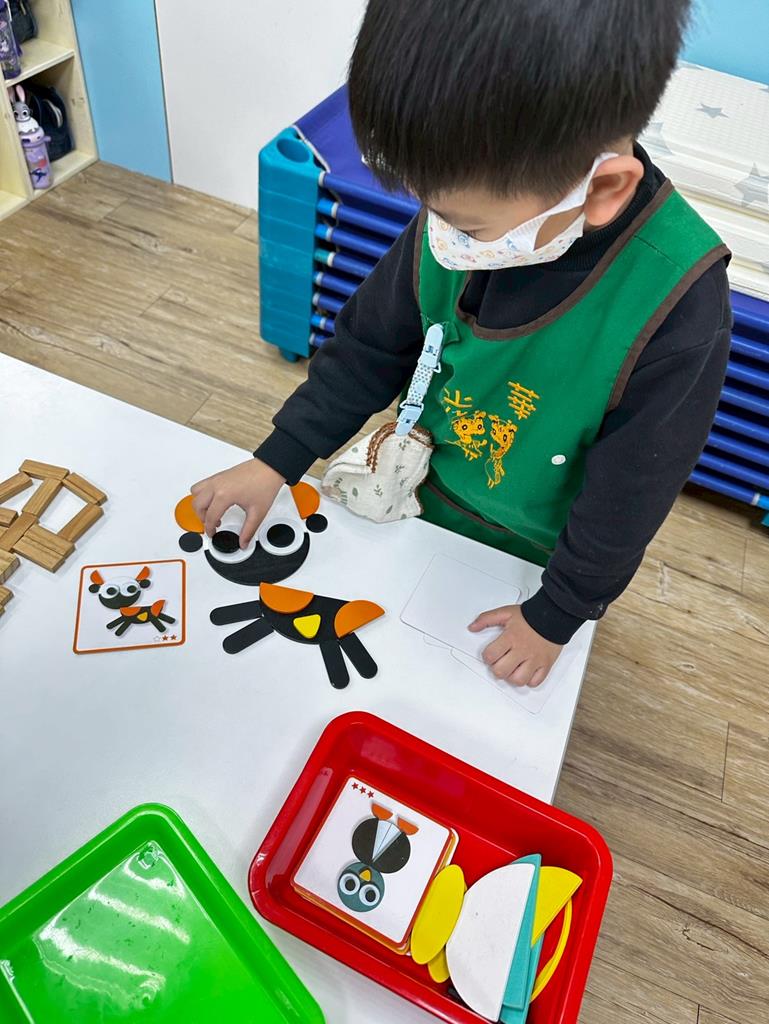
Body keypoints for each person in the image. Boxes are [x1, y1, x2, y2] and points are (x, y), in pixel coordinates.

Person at [191, 0, 731, 688]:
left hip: (534, 557)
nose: (441, 235)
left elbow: (629, 495)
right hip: (420, 495)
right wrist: (279, 459)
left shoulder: (677, 305)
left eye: (466, 227)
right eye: (431, 209)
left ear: (601, 188)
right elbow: (367, 350)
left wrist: (556, 615)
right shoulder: (469, 203)